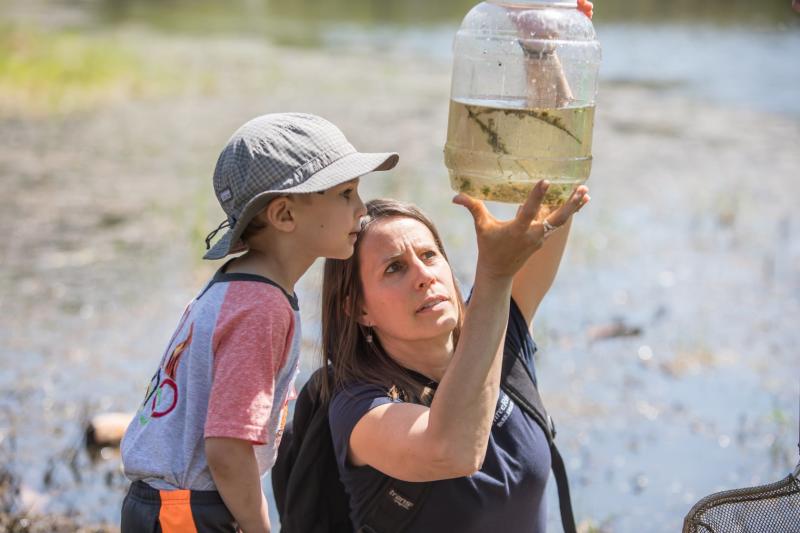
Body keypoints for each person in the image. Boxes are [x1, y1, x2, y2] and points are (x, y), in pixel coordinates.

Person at [119, 113, 398, 533]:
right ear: (284, 215)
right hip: (189, 510)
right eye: (345, 193)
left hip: (167, 503)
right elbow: (227, 448)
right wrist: (258, 527)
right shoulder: (262, 308)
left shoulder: (234, 287)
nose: (361, 209)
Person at [321, 178, 589, 531]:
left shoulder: (501, 329)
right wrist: (494, 273)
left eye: (429, 255)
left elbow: (556, 187)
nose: (423, 276)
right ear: (359, 310)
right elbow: (454, 451)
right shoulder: (358, 407)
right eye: (394, 268)